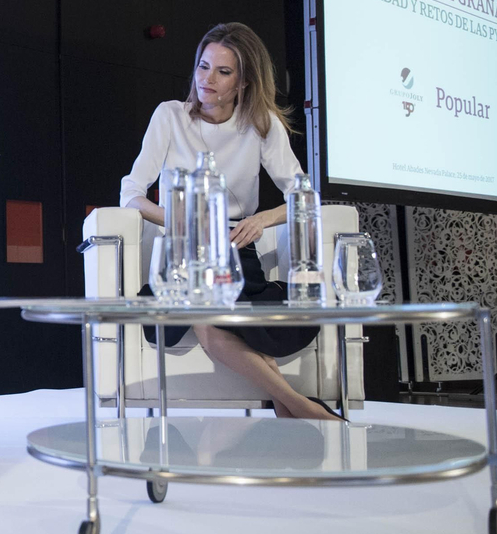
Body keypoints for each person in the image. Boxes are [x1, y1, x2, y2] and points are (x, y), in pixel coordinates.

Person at [119, 21, 338, 421]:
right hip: (184, 254)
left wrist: (263, 219)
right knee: (205, 314)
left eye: (223, 72)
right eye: (203, 67)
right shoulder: (170, 116)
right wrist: (184, 219)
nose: (208, 80)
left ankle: (292, 408)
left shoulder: (261, 124)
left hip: (237, 254)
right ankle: (301, 407)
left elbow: (304, 196)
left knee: (210, 321)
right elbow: (131, 194)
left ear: (243, 82)